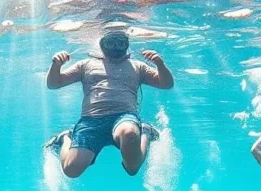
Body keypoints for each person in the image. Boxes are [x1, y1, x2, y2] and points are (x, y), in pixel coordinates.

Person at [43, 28, 174, 178]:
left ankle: (145, 132)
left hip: (124, 116)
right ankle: (65, 137)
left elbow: (166, 84)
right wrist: (56, 65)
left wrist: (160, 64)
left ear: (126, 45)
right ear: (101, 44)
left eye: (120, 42)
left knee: (131, 154)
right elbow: (54, 84)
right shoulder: (85, 64)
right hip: (91, 121)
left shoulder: (138, 66)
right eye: (111, 42)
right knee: (71, 170)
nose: (115, 46)